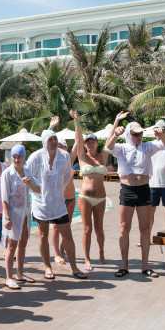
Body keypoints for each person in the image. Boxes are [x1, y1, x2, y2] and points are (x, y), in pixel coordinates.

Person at [104, 111, 165, 278]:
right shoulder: (122, 148)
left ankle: (145, 265)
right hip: (127, 190)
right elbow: (108, 147)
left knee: (145, 229)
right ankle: (124, 265)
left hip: (143, 190)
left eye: (140, 134)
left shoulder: (148, 146)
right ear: (129, 134)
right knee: (124, 228)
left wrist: (161, 135)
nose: (138, 137)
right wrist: (115, 134)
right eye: (135, 134)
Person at [27, 129, 86, 280]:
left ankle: (74, 267)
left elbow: (66, 177)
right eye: (50, 139)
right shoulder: (35, 157)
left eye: (55, 139)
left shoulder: (64, 156)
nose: (53, 142)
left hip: (59, 202)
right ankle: (47, 267)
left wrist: (57, 191)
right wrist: (39, 191)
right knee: (43, 234)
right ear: (44, 142)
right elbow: (28, 177)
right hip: (41, 203)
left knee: (67, 234)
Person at [70, 110, 109, 272]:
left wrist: (116, 122)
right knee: (87, 228)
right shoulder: (82, 156)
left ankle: (101, 252)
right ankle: (87, 259)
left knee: (99, 229)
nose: (90, 144)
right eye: (88, 142)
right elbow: (78, 139)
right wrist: (77, 122)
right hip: (85, 197)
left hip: (100, 198)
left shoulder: (103, 156)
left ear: (97, 143)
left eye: (93, 142)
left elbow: (110, 140)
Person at [1, 145, 40, 289]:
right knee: (11, 245)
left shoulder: (27, 172)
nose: (17, 160)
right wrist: (7, 217)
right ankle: (8, 277)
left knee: (23, 243)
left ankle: (20, 274)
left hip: (25, 212)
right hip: (13, 212)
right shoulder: (8, 174)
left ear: (24, 157)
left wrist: (30, 183)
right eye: (14, 157)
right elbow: (4, 198)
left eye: (20, 157)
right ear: (11, 157)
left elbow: (38, 190)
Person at [48, 117, 78, 267]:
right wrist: (50, 128)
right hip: (58, 199)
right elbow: (45, 142)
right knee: (55, 227)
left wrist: (77, 123)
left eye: (62, 146)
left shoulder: (69, 159)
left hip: (71, 198)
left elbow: (78, 142)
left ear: (66, 147)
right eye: (57, 145)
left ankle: (62, 248)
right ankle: (56, 254)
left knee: (67, 226)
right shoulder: (50, 160)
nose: (60, 148)